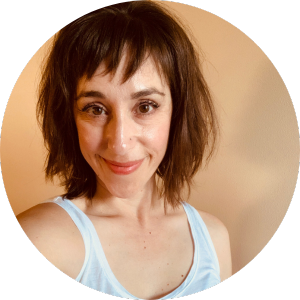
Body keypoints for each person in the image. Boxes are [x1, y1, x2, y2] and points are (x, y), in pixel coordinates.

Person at [16, 1, 232, 298]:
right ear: (69, 118)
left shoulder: (214, 238)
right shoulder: (41, 240)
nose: (119, 143)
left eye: (145, 106)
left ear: (178, 112)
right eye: (95, 108)